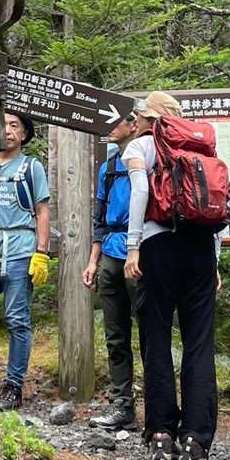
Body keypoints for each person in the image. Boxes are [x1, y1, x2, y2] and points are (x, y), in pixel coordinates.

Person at [123, 91, 220, 460]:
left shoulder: (141, 146)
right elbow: (213, 206)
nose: (135, 121)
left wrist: (133, 247)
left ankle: (161, 433)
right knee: (199, 341)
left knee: (157, 338)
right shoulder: (201, 150)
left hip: (157, 245)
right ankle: (196, 439)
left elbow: (140, 192)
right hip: (200, 247)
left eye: (140, 115)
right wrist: (214, 262)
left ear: (153, 119)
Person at [0, 110, 51, 410]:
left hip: (18, 251)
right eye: (3, 124)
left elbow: (42, 211)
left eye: (15, 125)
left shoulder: (30, 167)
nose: (8, 130)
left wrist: (41, 253)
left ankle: (13, 386)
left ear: (24, 134)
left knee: (16, 319)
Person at [81, 111, 138, 429]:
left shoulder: (148, 160)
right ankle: (122, 405)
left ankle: (160, 407)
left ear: (133, 124)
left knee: (151, 333)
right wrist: (93, 261)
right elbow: (99, 220)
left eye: (118, 121)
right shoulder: (108, 167)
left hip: (141, 256)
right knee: (115, 336)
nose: (111, 128)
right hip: (111, 256)